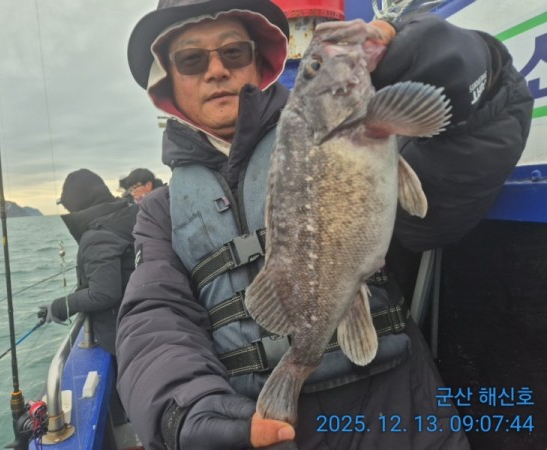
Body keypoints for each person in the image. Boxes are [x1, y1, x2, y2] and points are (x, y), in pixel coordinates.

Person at [116, 1, 534, 449]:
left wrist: (483, 75)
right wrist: (186, 410)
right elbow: (154, 319)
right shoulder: (159, 212)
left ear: (259, 62)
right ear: (167, 82)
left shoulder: (359, 130)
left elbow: (438, 207)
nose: (216, 70)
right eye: (192, 59)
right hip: (257, 426)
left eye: (233, 52)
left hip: (402, 419)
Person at [39, 168, 137, 356]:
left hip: (126, 334)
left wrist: (60, 307)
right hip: (147, 316)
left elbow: (103, 294)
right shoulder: (130, 215)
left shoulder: (97, 235)